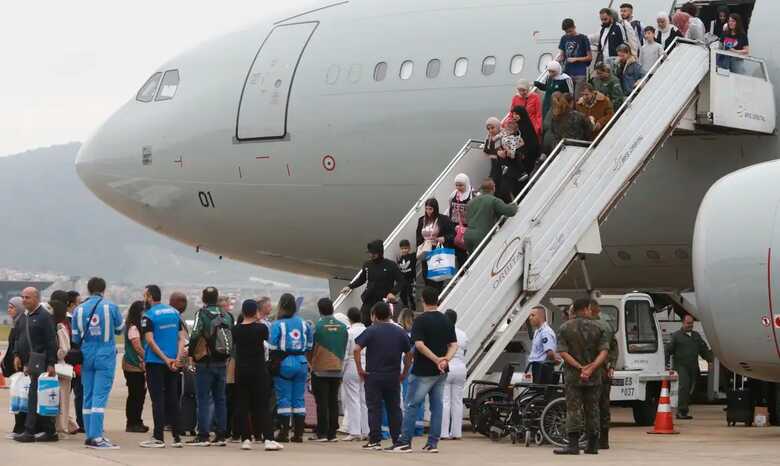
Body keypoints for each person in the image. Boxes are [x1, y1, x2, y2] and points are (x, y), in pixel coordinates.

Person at [390, 287, 457, 453]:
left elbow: (418, 344)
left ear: (423, 301)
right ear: (438, 301)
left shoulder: (420, 320)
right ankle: (432, 443)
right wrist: (444, 360)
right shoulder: (446, 320)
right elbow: (454, 345)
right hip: (442, 371)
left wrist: (435, 359)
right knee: (437, 407)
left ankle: (405, 442)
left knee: (412, 405)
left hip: (423, 370)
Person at [70, 278, 124, 449]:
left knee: (88, 395)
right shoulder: (111, 307)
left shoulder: (78, 310)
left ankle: (89, 435)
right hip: (105, 354)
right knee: (100, 396)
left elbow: (76, 337)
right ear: (104, 289)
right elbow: (119, 329)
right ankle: (97, 437)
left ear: (88, 289)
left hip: (87, 355)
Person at [553, 299, 609, 456]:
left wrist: (580, 367)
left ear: (575, 310)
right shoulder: (600, 327)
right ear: (586, 309)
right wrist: (591, 367)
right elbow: (604, 351)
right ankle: (592, 445)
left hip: (573, 376)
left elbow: (562, 352)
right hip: (594, 376)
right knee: (593, 409)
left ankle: (573, 445)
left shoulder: (565, 328)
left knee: (573, 409)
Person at [353, 301, 412, 450]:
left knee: (374, 408)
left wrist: (360, 368)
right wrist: (405, 371)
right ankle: (397, 439)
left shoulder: (372, 330)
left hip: (373, 375)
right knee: (394, 408)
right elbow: (409, 353)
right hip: (393, 376)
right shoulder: (400, 331)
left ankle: (375, 440)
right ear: (390, 314)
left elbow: (356, 348)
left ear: (374, 315)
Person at [231, 299, 282, 451]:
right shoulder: (261, 328)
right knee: (262, 405)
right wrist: (258, 318)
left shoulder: (236, 330)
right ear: (256, 312)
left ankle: (245, 439)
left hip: (241, 370)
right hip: (259, 370)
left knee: (243, 405)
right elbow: (269, 342)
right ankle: (268, 439)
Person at [186, 286, 234, 446]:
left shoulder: (202, 314)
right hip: (222, 362)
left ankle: (204, 435)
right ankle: (221, 434)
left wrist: (191, 353)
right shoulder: (227, 315)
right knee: (221, 399)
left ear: (204, 299)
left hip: (205, 362)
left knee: (203, 399)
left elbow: (195, 334)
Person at [140, 284, 186, 448]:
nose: (144, 298)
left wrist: (165, 359)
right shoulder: (174, 313)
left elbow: (150, 341)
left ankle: (158, 436)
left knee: (157, 400)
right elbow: (182, 338)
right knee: (173, 399)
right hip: (174, 362)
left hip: (156, 362)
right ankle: (176, 437)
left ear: (150, 297)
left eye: (145, 295)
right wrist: (176, 358)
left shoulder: (149, 316)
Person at [12, 287, 58, 443]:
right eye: (22, 297)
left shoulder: (44, 317)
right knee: (36, 397)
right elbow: (19, 337)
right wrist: (17, 354)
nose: (24, 300)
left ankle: (31, 431)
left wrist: (51, 363)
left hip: (41, 362)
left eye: (28, 297)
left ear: (37, 298)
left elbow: (51, 341)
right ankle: (48, 431)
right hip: (29, 362)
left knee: (36, 396)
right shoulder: (23, 316)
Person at [269, 293, 313, 443]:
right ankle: (299, 434)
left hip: (285, 363)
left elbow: (272, 345)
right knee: (299, 399)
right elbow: (309, 344)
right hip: (302, 362)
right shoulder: (304, 324)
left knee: (284, 399)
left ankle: (283, 432)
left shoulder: (277, 324)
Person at [309, 298, 348, 442]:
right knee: (333, 401)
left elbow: (310, 348)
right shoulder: (343, 327)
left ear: (319, 310)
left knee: (322, 402)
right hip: (337, 368)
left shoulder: (317, 327)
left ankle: (322, 433)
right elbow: (344, 346)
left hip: (319, 369)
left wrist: (312, 362)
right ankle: (332, 433)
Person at [342, 240, 406, 325]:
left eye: (373, 253)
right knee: (363, 324)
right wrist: (350, 286)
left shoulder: (391, 265)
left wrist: (393, 292)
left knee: (381, 325)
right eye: (370, 253)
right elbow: (362, 279)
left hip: (383, 302)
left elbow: (401, 281)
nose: (370, 255)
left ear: (379, 253)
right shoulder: (367, 264)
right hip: (368, 301)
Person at [665, 314, 713, 420]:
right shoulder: (676, 336)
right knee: (684, 387)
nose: (690, 325)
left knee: (692, 389)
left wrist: (710, 360)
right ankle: (681, 411)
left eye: (691, 323)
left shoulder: (696, 336)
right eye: (688, 323)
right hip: (681, 367)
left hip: (693, 367)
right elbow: (668, 350)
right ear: (683, 323)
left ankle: (684, 409)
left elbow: (703, 349)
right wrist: (666, 365)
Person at [588, 300, 618, 449]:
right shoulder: (607, 326)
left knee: (591, 404)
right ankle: (604, 440)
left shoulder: (591, 326)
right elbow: (614, 347)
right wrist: (612, 365)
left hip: (592, 370)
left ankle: (591, 439)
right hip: (604, 370)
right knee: (604, 404)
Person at [50, 291, 79, 435]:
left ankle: (63, 424)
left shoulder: (51, 324)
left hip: (52, 365)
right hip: (61, 365)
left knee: (52, 397)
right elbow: (65, 348)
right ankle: (64, 425)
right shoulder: (62, 325)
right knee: (63, 397)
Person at [464, 178, 518, 253]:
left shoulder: (470, 202)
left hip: (468, 236)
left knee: (472, 261)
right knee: (482, 261)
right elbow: (510, 211)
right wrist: (514, 204)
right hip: (481, 237)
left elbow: (467, 219)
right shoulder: (493, 200)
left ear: (482, 189)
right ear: (493, 188)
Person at [341, 307, 369, 441]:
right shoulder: (368, 331)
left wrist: (342, 369)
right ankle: (366, 430)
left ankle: (354, 431)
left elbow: (346, 354)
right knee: (364, 399)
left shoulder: (349, 332)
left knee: (352, 399)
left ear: (349, 319)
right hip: (367, 364)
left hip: (352, 364)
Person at [440, 309, 468, 441]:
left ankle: (444, 433)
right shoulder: (463, 334)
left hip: (448, 366)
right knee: (457, 401)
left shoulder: (443, 332)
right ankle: (457, 433)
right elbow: (465, 351)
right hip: (461, 367)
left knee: (445, 401)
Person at [415, 198, 455, 289]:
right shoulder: (422, 220)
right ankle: (429, 295)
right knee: (426, 275)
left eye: (430, 209)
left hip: (437, 249)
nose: (428, 211)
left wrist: (444, 238)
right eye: (427, 209)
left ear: (435, 209)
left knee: (438, 276)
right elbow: (418, 236)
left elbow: (452, 234)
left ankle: (438, 295)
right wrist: (419, 248)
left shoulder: (443, 219)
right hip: (426, 250)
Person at [122, 301, 148, 433]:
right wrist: (147, 358)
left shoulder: (136, 327)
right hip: (133, 366)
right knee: (135, 395)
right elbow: (137, 347)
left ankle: (136, 421)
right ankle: (133, 422)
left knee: (138, 395)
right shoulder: (134, 328)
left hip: (136, 366)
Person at [2, 297, 26, 438]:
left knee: (21, 399)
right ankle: (19, 428)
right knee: (18, 399)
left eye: (12, 307)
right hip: (15, 370)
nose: (9, 310)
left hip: (21, 369)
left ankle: (20, 429)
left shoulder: (21, 324)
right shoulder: (16, 324)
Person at [558, 18, 592, 100]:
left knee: (578, 98)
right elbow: (562, 55)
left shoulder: (583, 38)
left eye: (570, 31)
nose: (568, 34)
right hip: (567, 72)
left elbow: (589, 57)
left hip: (580, 73)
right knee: (567, 97)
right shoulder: (564, 38)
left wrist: (576, 59)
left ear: (574, 27)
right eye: (566, 32)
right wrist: (558, 60)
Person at [66, 291, 85, 434]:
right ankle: (80, 423)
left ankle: (71, 422)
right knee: (79, 394)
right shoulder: (71, 321)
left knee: (69, 394)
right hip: (73, 364)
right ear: (72, 304)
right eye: (79, 303)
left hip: (69, 364)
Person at [447, 173, 476, 268]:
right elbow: (450, 209)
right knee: (459, 250)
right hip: (456, 228)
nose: (458, 187)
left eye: (461, 185)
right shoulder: (453, 195)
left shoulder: (473, 195)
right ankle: (463, 271)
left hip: (469, 228)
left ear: (466, 183)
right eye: (457, 185)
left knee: (470, 249)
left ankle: (472, 267)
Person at [527, 306, 559, 385]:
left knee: (540, 394)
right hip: (537, 367)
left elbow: (550, 352)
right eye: (529, 316)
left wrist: (551, 362)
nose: (530, 318)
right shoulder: (538, 331)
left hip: (542, 369)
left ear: (541, 316)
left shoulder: (545, 332)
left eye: (533, 315)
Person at [510, 106, 541, 176]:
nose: (514, 116)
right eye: (513, 114)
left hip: (529, 156)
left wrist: (523, 152)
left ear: (521, 114)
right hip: (521, 156)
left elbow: (531, 143)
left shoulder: (526, 127)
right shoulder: (517, 126)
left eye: (516, 114)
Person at [396, 239, 417, 312]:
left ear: (409, 248)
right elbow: (398, 268)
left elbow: (420, 253)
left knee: (411, 294)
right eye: (402, 249)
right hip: (403, 280)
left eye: (406, 248)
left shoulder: (412, 256)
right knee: (402, 294)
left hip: (411, 279)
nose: (404, 250)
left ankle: (413, 307)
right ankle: (406, 306)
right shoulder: (399, 258)